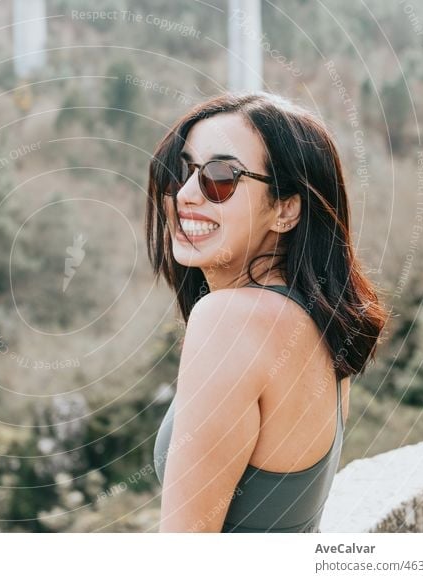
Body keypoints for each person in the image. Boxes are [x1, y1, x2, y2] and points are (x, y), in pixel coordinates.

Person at [145, 91, 388, 532]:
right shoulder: (321, 322)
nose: (184, 194)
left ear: (285, 209)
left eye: (220, 177)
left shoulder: (227, 321)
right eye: (181, 171)